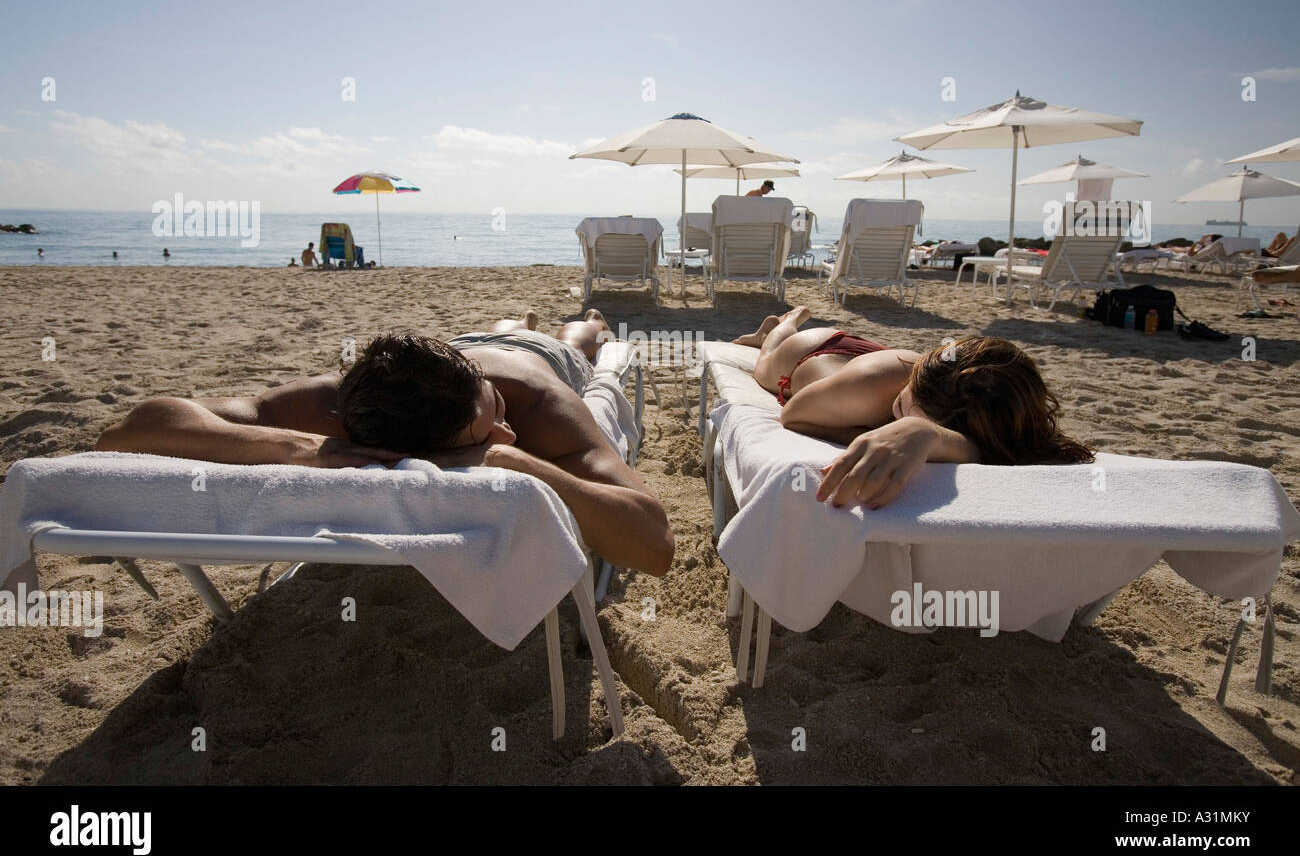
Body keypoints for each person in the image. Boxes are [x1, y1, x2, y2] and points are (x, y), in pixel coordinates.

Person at [96, 308, 673, 576]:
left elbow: (654, 546)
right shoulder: (340, 407)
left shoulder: (534, 406)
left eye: (493, 410)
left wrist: (509, 457)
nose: (506, 431)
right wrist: (303, 449)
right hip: (459, 347)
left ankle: (585, 323)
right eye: (487, 430)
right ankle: (510, 322)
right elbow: (130, 431)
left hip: (539, 362)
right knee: (502, 327)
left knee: (570, 337)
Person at [732, 308, 1093, 509]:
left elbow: (988, 449)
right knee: (765, 364)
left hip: (882, 358)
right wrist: (873, 431)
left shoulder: (984, 412)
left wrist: (928, 435)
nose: (901, 416)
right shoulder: (867, 389)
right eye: (903, 406)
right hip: (811, 352)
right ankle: (782, 323)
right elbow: (793, 415)